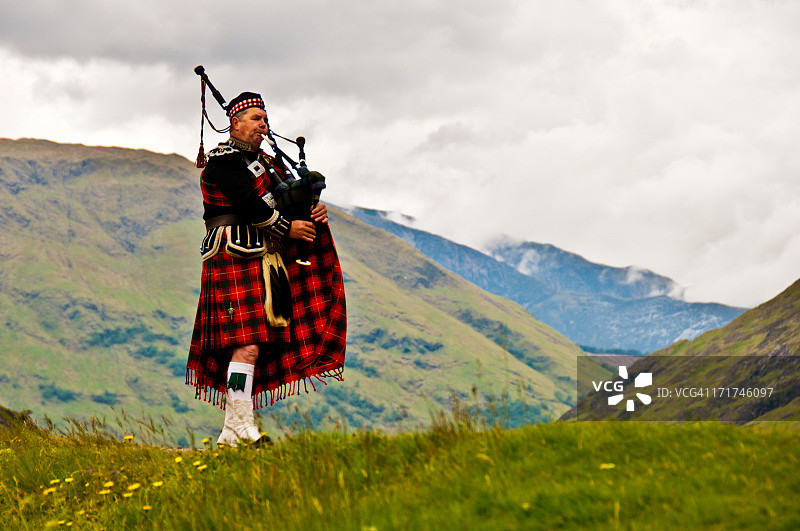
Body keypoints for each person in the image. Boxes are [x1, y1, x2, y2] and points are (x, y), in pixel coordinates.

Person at [186, 92, 347, 446]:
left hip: (261, 257)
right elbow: (249, 204)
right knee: (246, 345)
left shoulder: (268, 164)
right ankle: (243, 427)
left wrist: (312, 210)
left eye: (265, 119)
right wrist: (288, 228)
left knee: (251, 347)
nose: (263, 124)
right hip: (231, 253)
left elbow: (287, 198)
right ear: (235, 123)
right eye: (255, 118)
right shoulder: (223, 162)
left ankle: (233, 431)